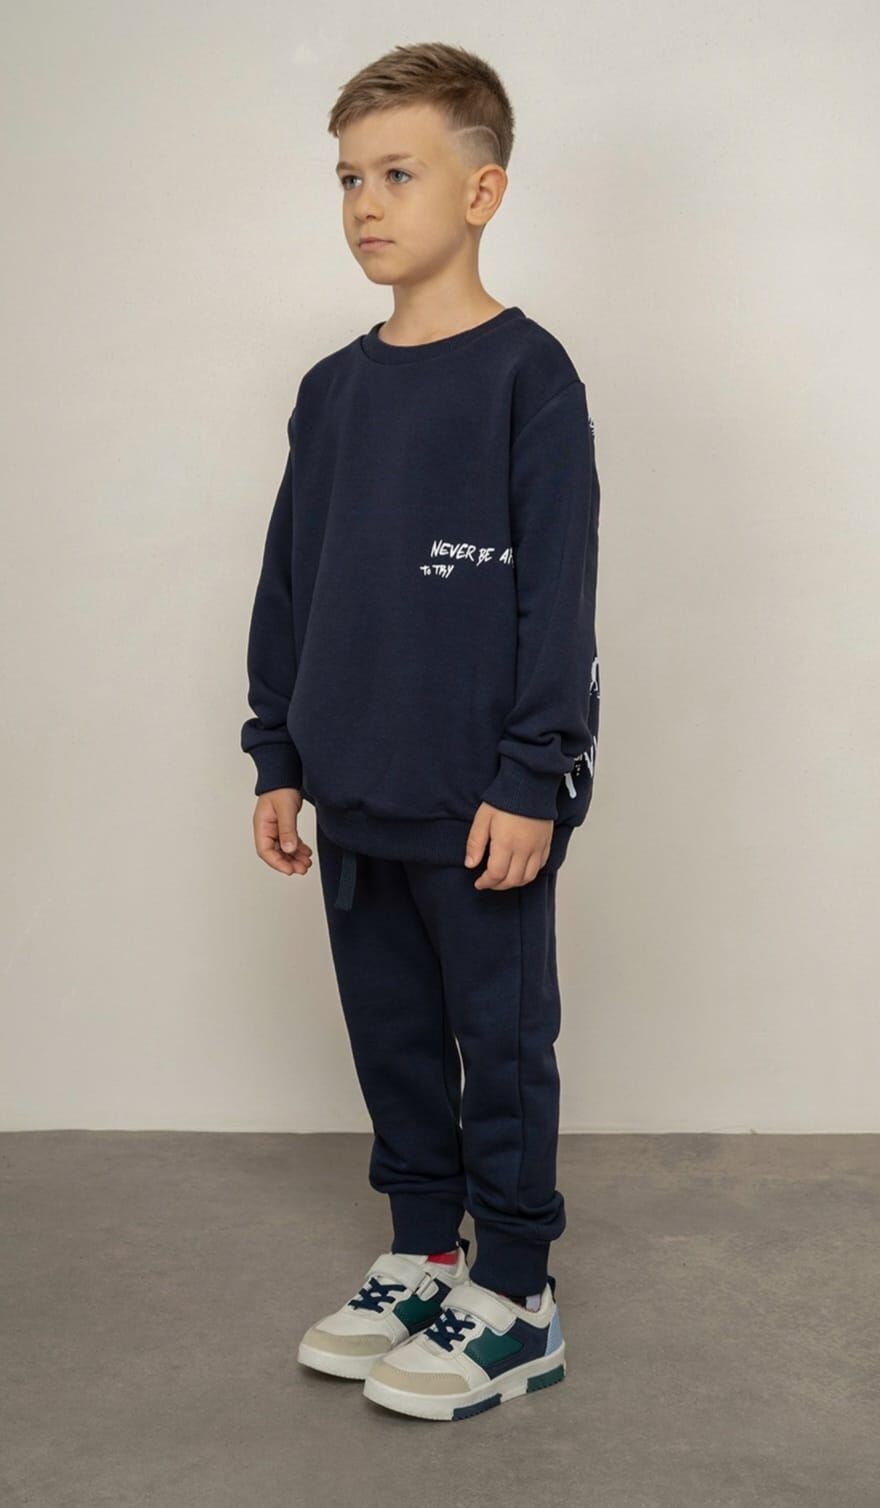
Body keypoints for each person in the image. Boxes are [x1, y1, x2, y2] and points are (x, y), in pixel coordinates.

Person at [240, 41, 601, 1422]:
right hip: (355, 792)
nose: (365, 204)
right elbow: (292, 579)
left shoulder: (530, 378)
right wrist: (278, 754)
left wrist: (534, 775)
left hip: (482, 804)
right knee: (392, 1037)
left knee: (497, 1047)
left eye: (398, 174)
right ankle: (425, 1254)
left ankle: (517, 1291)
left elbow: (559, 596)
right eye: (348, 179)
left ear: (483, 191)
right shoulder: (332, 391)